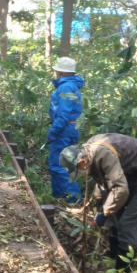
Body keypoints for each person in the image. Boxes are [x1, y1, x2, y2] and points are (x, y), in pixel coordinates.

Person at [59, 134, 137, 270]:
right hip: (129, 176)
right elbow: (102, 181)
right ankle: (113, 257)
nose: (80, 173)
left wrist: (104, 212)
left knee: (128, 225)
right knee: (113, 217)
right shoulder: (88, 153)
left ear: (82, 162)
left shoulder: (103, 153)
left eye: (78, 170)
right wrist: (99, 204)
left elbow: (120, 190)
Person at [48, 56, 84, 203]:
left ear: (61, 73)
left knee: (60, 165)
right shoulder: (72, 86)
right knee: (65, 164)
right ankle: (59, 196)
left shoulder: (66, 87)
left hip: (64, 130)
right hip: (71, 128)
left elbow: (64, 113)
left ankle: (72, 199)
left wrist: (53, 131)